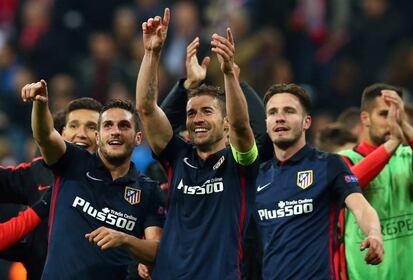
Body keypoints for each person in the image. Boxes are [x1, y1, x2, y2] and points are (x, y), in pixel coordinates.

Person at [136, 8, 258, 279]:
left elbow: (241, 125)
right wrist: (152, 53)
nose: (197, 119)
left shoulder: (241, 164)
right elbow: (146, 108)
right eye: (191, 113)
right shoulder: (179, 156)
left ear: (225, 122)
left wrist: (228, 73)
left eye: (207, 112)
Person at [21, 80, 165, 279]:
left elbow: (158, 251)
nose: (115, 131)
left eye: (124, 126)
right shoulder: (74, 162)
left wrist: (124, 239)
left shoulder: (148, 190)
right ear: (98, 137)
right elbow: (45, 136)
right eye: (108, 125)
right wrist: (40, 104)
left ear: (138, 138)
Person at [254, 83, 384, 279]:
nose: (280, 117)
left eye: (289, 111)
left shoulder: (328, 165)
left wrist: (374, 233)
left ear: (307, 122)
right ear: (267, 122)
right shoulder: (258, 176)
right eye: (273, 112)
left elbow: (361, 207)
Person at [0, 97, 102, 279]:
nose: (81, 133)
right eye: (74, 126)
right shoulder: (39, 171)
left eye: (92, 127)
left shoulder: (119, 181)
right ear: (61, 134)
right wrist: (27, 246)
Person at [339, 83, 413, 280]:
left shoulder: (408, 156)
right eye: (383, 114)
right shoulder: (343, 160)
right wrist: (392, 142)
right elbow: (350, 183)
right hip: (365, 275)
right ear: (365, 118)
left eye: (396, 114)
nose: (391, 121)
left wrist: (405, 127)